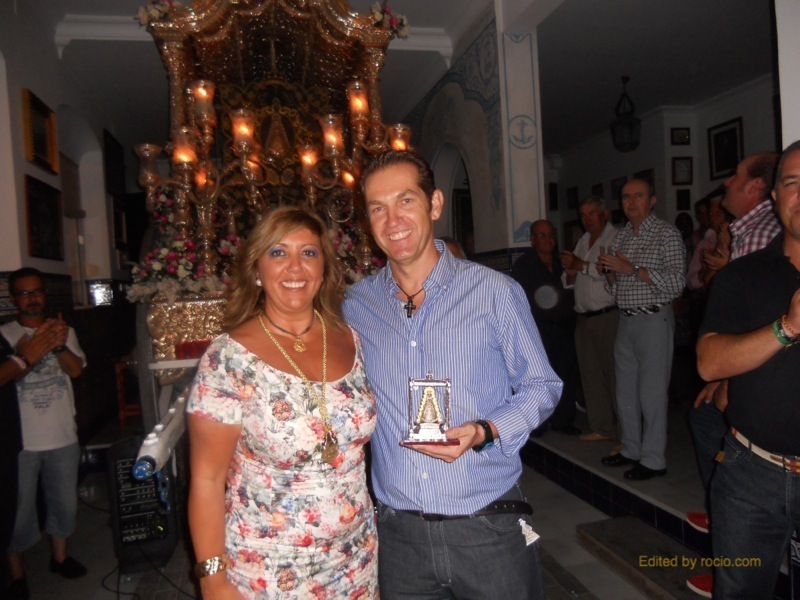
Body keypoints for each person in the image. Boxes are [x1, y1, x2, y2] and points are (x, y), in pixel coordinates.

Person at [344, 150, 562, 599]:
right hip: (399, 536)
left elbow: (542, 386)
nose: (392, 220)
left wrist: (485, 430)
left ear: (435, 204)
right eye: (377, 208)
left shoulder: (494, 292)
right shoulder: (356, 306)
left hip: (488, 526)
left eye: (406, 200)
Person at [186, 207, 378, 599]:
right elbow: (207, 479)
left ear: (323, 269)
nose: (295, 267)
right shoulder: (228, 359)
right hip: (269, 570)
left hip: (355, 558)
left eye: (308, 253)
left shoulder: (351, 339)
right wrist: (212, 580)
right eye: (278, 252)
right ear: (256, 269)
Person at [695, 140, 800, 598]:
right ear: (775, 196)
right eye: (793, 183)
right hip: (751, 472)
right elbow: (709, 362)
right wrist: (787, 327)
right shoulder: (744, 274)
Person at [0, 268, 87, 600]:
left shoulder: (62, 330)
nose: (32, 298)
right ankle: (17, 575)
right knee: (18, 511)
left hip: (61, 434)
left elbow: (76, 370)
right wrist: (26, 354)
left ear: (44, 295)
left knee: (64, 504)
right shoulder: (5, 335)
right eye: (24, 293)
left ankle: (59, 558)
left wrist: (58, 345)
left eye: (36, 291)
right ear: (13, 299)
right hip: (21, 441)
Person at [598, 179, 685, 480]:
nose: (631, 202)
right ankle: (631, 449)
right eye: (626, 197)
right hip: (626, 320)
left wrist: (631, 270)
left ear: (652, 200)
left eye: (638, 196)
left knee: (652, 394)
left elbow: (676, 283)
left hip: (653, 319)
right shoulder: (622, 236)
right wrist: (610, 274)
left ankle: (654, 460)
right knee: (625, 392)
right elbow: (618, 289)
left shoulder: (666, 234)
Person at [511, 219, 580, 436]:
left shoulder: (563, 262)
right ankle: (538, 423)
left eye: (550, 235)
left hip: (565, 327)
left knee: (565, 374)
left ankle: (563, 420)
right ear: (533, 240)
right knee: (539, 377)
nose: (547, 239)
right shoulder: (524, 265)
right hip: (538, 330)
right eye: (542, 235)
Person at [560, 196, 619, 444]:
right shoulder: (583, 241)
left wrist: (580, 265)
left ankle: (626, 433)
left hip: (608, 316)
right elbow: (569, 280)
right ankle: (602, 426)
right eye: (583, 215)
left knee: (615, 375)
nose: (587, 219)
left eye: (591, 213)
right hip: (583, 318)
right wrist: (571, 272)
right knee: (591, 376)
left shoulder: (615, 238)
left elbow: (610, 272)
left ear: (604, 214)